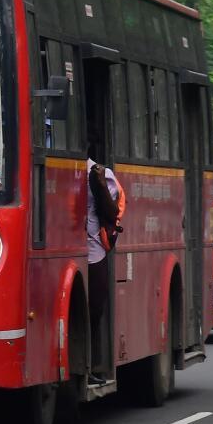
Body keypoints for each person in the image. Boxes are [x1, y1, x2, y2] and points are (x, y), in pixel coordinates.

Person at [87, 158, 124, 380]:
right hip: (66, 249)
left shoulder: (102, 174)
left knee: (94, 310)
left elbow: (112, 213)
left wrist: (99, 185)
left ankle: (93, 366)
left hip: (93, 252)